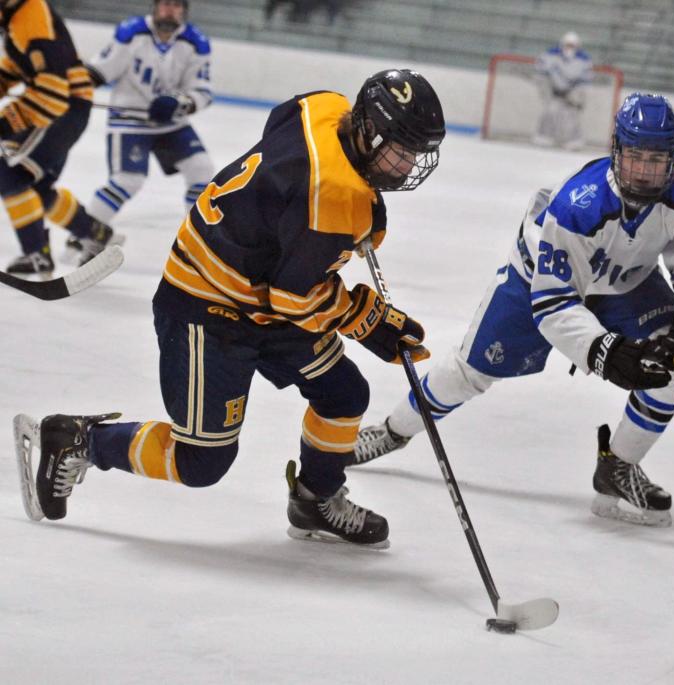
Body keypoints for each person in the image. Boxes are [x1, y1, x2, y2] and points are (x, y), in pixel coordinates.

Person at [17, 69, 446, 549]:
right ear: (367, 129)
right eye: (400, 150)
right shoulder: (332, 199)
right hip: (207, 303)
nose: (408, 166)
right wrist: (363, 317)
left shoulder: (324, 105)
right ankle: (77, 440)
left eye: (415, 154)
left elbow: (279, 128)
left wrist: (293, 226)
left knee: (343, 393)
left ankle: (315, 500)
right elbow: (296, 299)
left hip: (262, 287)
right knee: (201, 463)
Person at [350, 93, 674, 528]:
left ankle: (617, 466)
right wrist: (603, 350)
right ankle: (394, 431)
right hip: (538, 282)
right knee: (467, 373)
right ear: (617, 151)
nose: (644, 170)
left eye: (657, 160)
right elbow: (553, 303)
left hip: (628, 283)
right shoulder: (578, 205)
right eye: (636, 156)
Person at [80, 0, 214, 249]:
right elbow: (100, 71)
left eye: (175, 5)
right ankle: (84, 235)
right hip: (129, 121)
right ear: (155, 7)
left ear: (184, 10)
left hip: (171, 123)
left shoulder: (196, 42)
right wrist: (74, 88)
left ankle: (198, 240)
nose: (169, 10)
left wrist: (179, 102)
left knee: (202, 172)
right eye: (164, 4)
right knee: (127, 180)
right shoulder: (131, 33)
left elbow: (202, 91)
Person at [0, 0, 116, 276]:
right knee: (34, 188)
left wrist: (6, 122)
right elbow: (19, 65)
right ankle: (94, 232)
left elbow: (52, 94)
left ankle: (37, 255)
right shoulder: (18, 16)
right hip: (68, 109)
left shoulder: (29, 18)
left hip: (62, 111)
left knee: (10, 175)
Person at [532, 31, 593, 150]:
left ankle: (574, 140)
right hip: (554, 93)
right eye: (567, 44)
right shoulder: (550, 54)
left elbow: (585, 80)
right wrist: (546, 88)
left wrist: (577, 95)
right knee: (550, 112)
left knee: (571, 117)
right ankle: (544, 136)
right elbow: (541, 71)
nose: (569, 48)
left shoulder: (584, 59)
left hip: (571, 95)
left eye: (572, 45)